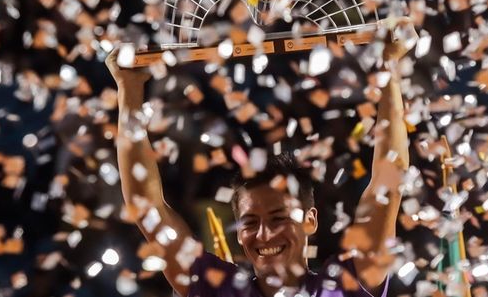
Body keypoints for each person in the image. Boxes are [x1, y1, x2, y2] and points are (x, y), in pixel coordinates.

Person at [105, 19, 414, 297]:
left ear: (310, 220)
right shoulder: (217, 289)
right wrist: (128, 91)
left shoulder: (346, 285)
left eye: (279, 218)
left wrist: (390, 68)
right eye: (250, 222)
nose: (264, 234)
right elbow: (146, 207)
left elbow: (390, 178)